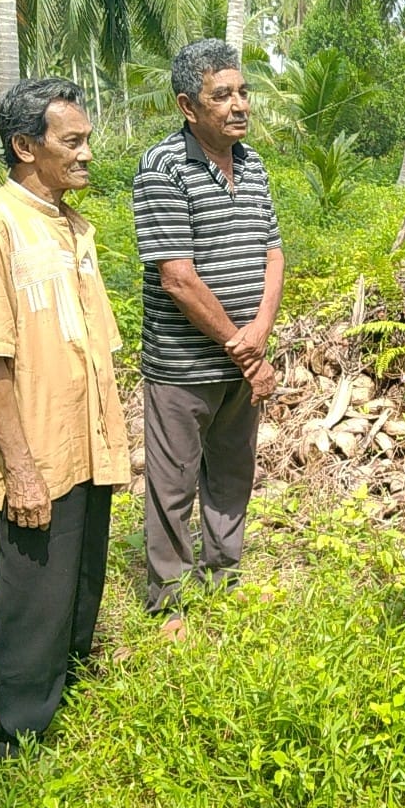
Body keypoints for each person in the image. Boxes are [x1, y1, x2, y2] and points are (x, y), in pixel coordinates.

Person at [0, 77, 131, 768]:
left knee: (78, 585)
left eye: (87, 140)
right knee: (31, 600)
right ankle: (14, 746)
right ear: (26, 146)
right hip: (36, 454)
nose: (87, 154)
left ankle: (67, 700)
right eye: (72, 141)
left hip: (86, 443)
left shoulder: (73, 225)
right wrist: (20, 467)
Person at [133, 39, 284, 637]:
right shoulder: (163, 168)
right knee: (172, 484)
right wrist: (241, 344)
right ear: (188, 107)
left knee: (231, 473)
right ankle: (168, 597)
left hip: (242, 360)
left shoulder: (252, 165)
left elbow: (273, 253)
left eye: (242, 91)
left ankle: (224, 573)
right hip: (182, 363)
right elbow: (177, 277)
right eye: (222, 95)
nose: (238, 105)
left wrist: (260, 332)